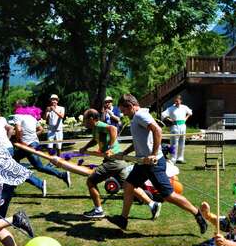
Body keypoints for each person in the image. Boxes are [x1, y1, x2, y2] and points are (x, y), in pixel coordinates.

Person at [112, 94, 207, 233]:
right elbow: (138, 141)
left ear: (131, 106)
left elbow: (158, 130)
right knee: (128, 185)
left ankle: (197, 213)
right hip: (142, 163)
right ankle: (123, 219)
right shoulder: (137, 117)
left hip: (153, 164)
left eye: (124, 110)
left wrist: (154, 154)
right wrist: (124, 153)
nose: (124, 114)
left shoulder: (139, 116)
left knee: (168, 195)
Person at [79, 109, 161, 219]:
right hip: (119, 162)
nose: (84, 122)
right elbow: (95, 140)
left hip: (113, 161)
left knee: (91, 181)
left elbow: (113, 129)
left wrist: (111, 148)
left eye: (85, 119)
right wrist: (85, 148)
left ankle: (98, 210)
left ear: (91, 119)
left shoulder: (99, 125)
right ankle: (152, 204)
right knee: (129, 185)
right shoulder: (95, 129)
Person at [13, 104, 71, 190]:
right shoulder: (31, 117)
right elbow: (41, 129)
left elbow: (19, 129)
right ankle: (14, 183)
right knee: (14, 161)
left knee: (38, 166)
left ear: (19, 107)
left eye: (15, 106)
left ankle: (59, 176)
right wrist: (32, 136)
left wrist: (20, 141)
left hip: (27, 145)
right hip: (35, 143)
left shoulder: (17, 116)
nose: (14, 107)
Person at [161, 95, 193, 164]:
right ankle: (173, 158)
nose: (177, 102)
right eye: (175, 101)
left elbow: (190, 112)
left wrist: (185, 118)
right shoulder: (171, 108)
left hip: (183, 126)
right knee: (173, 144)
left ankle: (180, 158)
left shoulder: (184, 107)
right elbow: (163, 115)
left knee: (182, 143)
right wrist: (170, 120)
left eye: (178, 101)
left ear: (180, 101)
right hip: (175, 127)